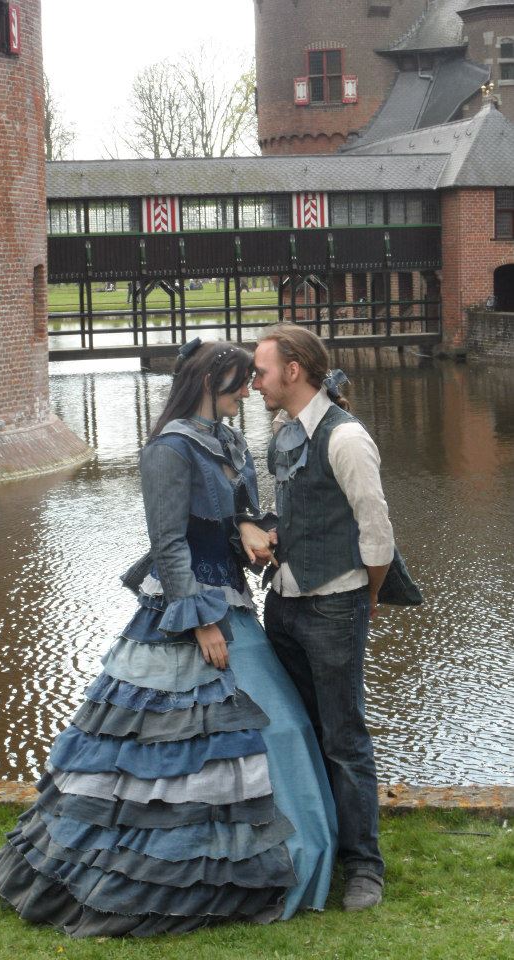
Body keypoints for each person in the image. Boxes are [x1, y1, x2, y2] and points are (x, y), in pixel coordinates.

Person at [0, 338, 336, 937]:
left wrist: (251, 529)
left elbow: (237, 513)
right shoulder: (167, 449)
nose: (248, 388)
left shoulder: (228, 441)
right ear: (208, 383)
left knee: (280, 726)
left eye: (251, 378)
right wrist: (199, 620)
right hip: (189, 612)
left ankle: (294, 856)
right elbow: (169, 542)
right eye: (239, 380)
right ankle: (180, 875)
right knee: (177, 747)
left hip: (233, 601)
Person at [253, 324, 395, 912]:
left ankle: (364, 866)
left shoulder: (347, 437)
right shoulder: (284, 432)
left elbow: (377, 532)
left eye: (262, 371)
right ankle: (319, 845)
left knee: (343, 738)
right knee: (298, 731)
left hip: (336, 604)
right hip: (283, 604)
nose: (255, 382)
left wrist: (366, 595)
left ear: (293, 371)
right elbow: (298, 509)